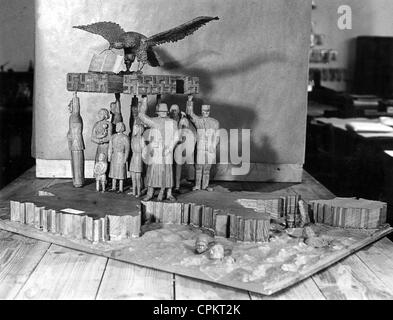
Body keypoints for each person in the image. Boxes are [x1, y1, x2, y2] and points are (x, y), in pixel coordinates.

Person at [139, 96, 179, 201]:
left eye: (165, 111)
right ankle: (150, 193)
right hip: (156, 150)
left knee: (168, 171)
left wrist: (170, 149)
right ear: (157, 112)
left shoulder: (173, 122)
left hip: (167, 151)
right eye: (161, 111)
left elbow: (176, 137)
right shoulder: (154, 121)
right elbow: (141, 115)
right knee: (153, 171)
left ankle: (169, 193)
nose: (164, 113)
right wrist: (144, 101)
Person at [186, 96, 220, 192]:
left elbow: (217, 136)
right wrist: (189, 101)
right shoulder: (198, 120)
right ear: (201, 112)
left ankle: (205, 185)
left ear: (209, 111)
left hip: (210, 147)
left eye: (207, 111)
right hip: (200, 146)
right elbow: (190, 114)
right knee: (199, 167)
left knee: (207, 168)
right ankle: (197, 185)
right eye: (204, 111)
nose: (206, 113)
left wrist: (214, 146)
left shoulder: (215, 122)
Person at [67, 92, 85, 188]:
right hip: (74, 143)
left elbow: (76, 110)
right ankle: (76, 180)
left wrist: (75, 97)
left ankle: (78, 181)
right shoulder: (72, 117)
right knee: (75, 163)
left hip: (76, 143)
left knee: (77, 163)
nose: (68, 108)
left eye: (70, 106)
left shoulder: (75, 116)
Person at [108, 122, 130, 193]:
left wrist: (125, 158)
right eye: (116, 126)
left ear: (122, 128)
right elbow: (110, 148)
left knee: (121, 172)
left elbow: (127, 149)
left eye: (118, 126)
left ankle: (121, 188)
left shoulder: (125, 137)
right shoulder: (113, 136)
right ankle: (113, 187)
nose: (117, 127)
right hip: (114, 155)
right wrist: (109, 156)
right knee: (113, 171)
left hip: (121, 156)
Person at [129, 123, 145, 197]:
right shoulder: (133, 138)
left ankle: (138, 192)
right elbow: (132, 148)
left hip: (138, 158)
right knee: (133, 177)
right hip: (134, 157)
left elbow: (144, 149)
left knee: (138, 178)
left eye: (136, 128)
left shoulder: (142, 138)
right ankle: (134, 191)